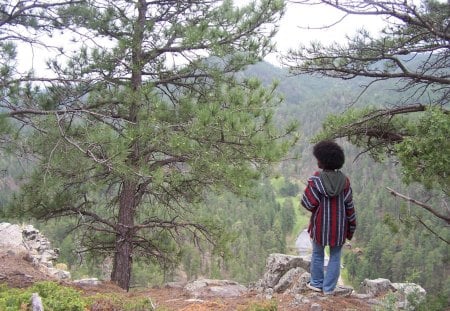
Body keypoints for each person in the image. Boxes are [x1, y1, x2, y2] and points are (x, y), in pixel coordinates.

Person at [301, 140, 356, 295]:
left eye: (318, 158)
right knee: (335, 256)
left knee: (317, 254)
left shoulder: (316, 180)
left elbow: (308, 203)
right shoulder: (344, 181)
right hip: (339, 228)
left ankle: (317, 283)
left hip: (320, 226)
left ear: (322, 161)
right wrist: (351, 228)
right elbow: (349, 207)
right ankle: (329, 289)